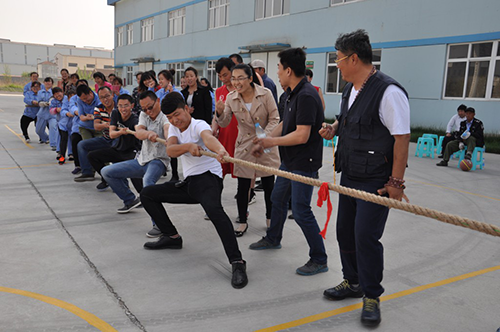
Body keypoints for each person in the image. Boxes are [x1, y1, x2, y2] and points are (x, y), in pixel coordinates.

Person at [319, 30, 410, 327]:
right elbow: (347, 119)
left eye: (339, 60)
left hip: (375, 180)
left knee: (365, 237)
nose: (337, 66)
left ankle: (371, 295)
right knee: (345, 231)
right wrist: (334, 128)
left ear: (354, 58)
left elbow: (401, 138)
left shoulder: (388, 92)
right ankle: (352, 281)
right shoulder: (351, 89)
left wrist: (396, 183)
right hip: (351, 173)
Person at [139, 92, 248, 289]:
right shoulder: (173, 127)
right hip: (189, 183)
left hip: (208, 179)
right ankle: (171, 236)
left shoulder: (199, 124)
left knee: (215, 212)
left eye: (177, 114)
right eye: (170, 117)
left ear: (187, 109)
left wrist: (221, 150)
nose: (175, 120)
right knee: (147, 194)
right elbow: (171, 150)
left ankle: (237, 262)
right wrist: (188, 146)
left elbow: (208, 139)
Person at [248, 48, 328, 277]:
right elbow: (285, 123)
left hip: (305, 163)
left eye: (279, 68)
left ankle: (319, 258)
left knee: (302, 211)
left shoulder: (307, 95)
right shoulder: (291, 94)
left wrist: (271, 141)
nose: (278, 72)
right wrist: (265, 140)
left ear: (289, 70)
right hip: (290, 161)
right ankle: (274, 238)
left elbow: (302, 135)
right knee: (278, 198)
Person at [215, 64, 280, 236]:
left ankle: (270, 219)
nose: (236, 82)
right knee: (243, 186)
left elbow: (275, 118)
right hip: (244, 144)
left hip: (265, 142)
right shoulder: (231, 97)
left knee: (268, 185)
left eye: (240, 78)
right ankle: (242, 221)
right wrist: (219, 113)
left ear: (250, 78)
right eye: (233, 78)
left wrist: (264, 137)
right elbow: (224, 122)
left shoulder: (265, 94)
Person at [101, 91, 170, 239]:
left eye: (150, 107)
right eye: (144, 108)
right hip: (141, 160)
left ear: (158, 101)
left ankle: (158, 224)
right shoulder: (144, 115)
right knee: (107, 172)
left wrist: (168, 138)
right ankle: (129, 199)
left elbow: (167, 129)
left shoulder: (165, 117)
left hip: (158, 160)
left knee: (147, 183)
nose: (148, 111)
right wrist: (148, 134)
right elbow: (139, 132)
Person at [88, 94, 142, 192]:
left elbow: (138, 129)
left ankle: (143, 196)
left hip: (131, 152)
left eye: (126, 105)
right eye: (121, 106)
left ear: (132, 106)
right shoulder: (115, 113)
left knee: (134, 171)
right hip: (118, 149)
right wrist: (121, 132)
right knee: (92, 156)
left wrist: (140, 132)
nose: (123, 109)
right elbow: (112, 134)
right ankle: (112, 180)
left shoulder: (134, 118)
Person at [74, 86, 116, 182]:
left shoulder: (119, 107)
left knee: (103, 152)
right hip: (102, 134)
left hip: (117, 137)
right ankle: (88, 172)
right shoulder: (99, 108)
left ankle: (108, 176)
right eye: (102, 98)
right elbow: (95, 124)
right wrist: (105, 124)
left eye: (107, 96)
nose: (105, 100)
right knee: (82, 145)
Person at [211, 57, 238, 179]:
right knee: (219, 170)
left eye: (225, 75)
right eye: (220, 76)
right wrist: (213, 129)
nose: (223, 79)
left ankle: (248, 194)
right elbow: (217, 114)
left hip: (239, 136)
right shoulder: (219, 91)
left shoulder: (242, 89)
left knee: (242, 170)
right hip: (224, 135)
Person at [156, 69, 182, 182]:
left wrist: (171, 93)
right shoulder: (160, 92)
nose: (160, 82)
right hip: (162, 122)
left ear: (169, 80)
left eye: (162, 79)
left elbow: (180, 107)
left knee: (173, 147)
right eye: (159, 79)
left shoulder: (176, 92)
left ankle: (175, 174)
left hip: (173, 123)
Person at [56, 86, 76, 164]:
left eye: (72, 96)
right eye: (69, 97)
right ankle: (62, 156)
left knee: (73, 140)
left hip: (73, 126)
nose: (70, 98)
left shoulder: (78, 102)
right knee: (63, 140)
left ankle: (71, 154)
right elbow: (62, 111)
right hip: (63, 125)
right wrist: (67, 113)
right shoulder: (65, 101)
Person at [36, 77, 57, 150]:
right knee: (38, 130)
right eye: (46, 82)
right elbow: (38, 102)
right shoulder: (40, 92)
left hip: (52, 114)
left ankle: (54, 144)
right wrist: (43, 103)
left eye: (49, 82)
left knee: (53, 128)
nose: (48, 83)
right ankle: (46, 138)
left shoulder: (55, 92)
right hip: (42, 113)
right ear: (44, 83)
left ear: (52, 83)